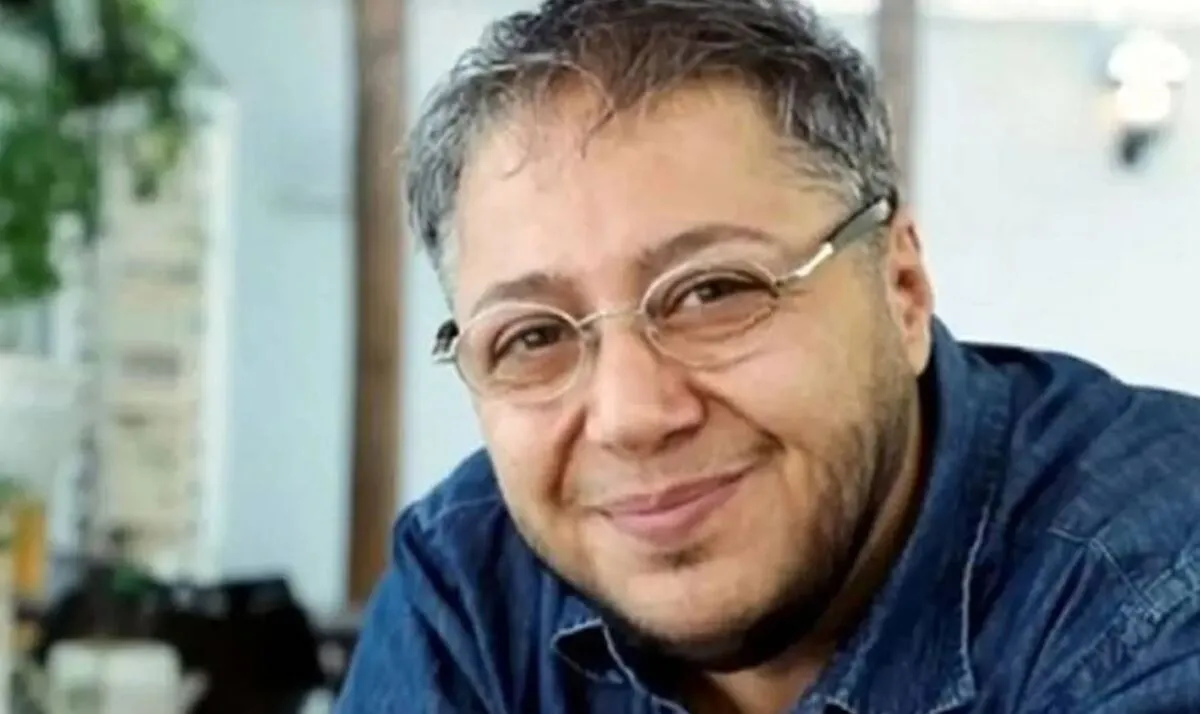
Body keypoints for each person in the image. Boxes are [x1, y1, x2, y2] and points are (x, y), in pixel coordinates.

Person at [337, 1, 1200, 712]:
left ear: (901, 288)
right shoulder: (470, 582)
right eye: (533, 336)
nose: (631, 417)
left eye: (713, 291)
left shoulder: (1158, 582)